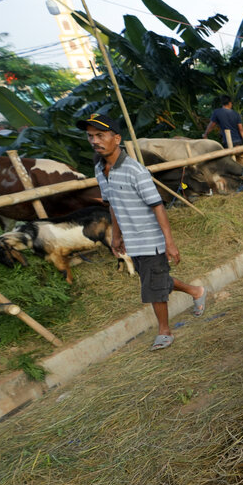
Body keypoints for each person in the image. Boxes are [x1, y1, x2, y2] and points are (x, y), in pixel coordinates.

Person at [78, 112, 206, 351]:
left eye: (100, 135)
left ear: (116, 138)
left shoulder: (135, 170)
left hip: (151, 239)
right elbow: (112, 203)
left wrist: (169, 242)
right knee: (154, 280)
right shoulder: (100, 168)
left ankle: (164, 332)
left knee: (153, 288)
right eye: (90, 136)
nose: (95, 141)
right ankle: (195, 290)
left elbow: (157, 205)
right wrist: (116, 235)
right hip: (132, 240)